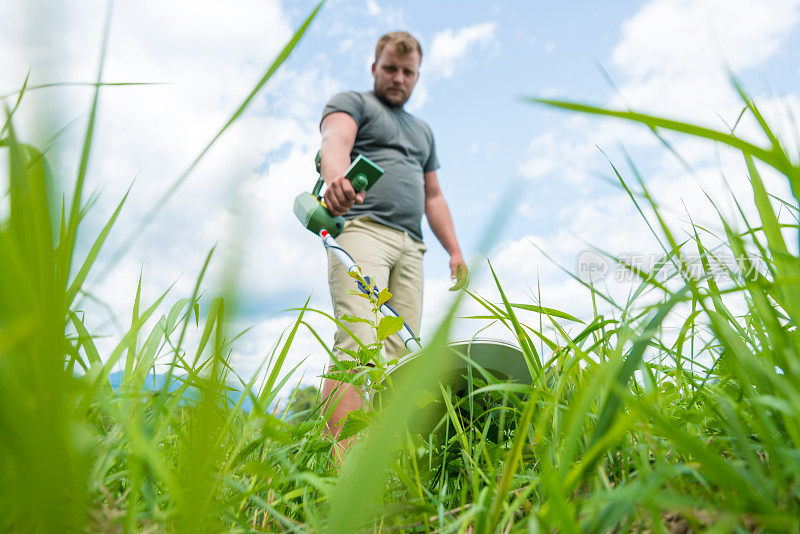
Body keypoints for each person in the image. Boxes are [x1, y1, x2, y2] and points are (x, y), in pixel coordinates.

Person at [318, 31, 466, 462]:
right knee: (360, 339)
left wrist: (454, 250)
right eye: (390, 68)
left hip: (411, 248)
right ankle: (342, 462)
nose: (398, 77)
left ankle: (382, 460)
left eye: (408, 72)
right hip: (363, 230)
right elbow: (336, 142)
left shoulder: (423, 131)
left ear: (417, 76)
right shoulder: (355, 103)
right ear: (374, 68)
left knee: (400, 352)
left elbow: (433, 195)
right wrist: (335, 179)